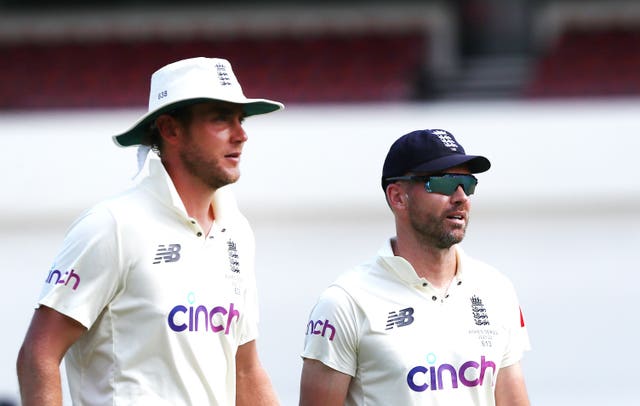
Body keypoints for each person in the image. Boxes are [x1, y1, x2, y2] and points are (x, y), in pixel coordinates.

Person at [17, 57, 284, 405]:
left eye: (241, 118)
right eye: (221, 118)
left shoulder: (236, 231)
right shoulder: (113, 225)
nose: (242, 134)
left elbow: (245, 370)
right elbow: (38, 355)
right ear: (170, 129)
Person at [299, 129, 531, 405]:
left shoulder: (496, 290)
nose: (461, 197)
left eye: (467, 184)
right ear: (398, 197)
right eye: (443, 183)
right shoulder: (345, 302)